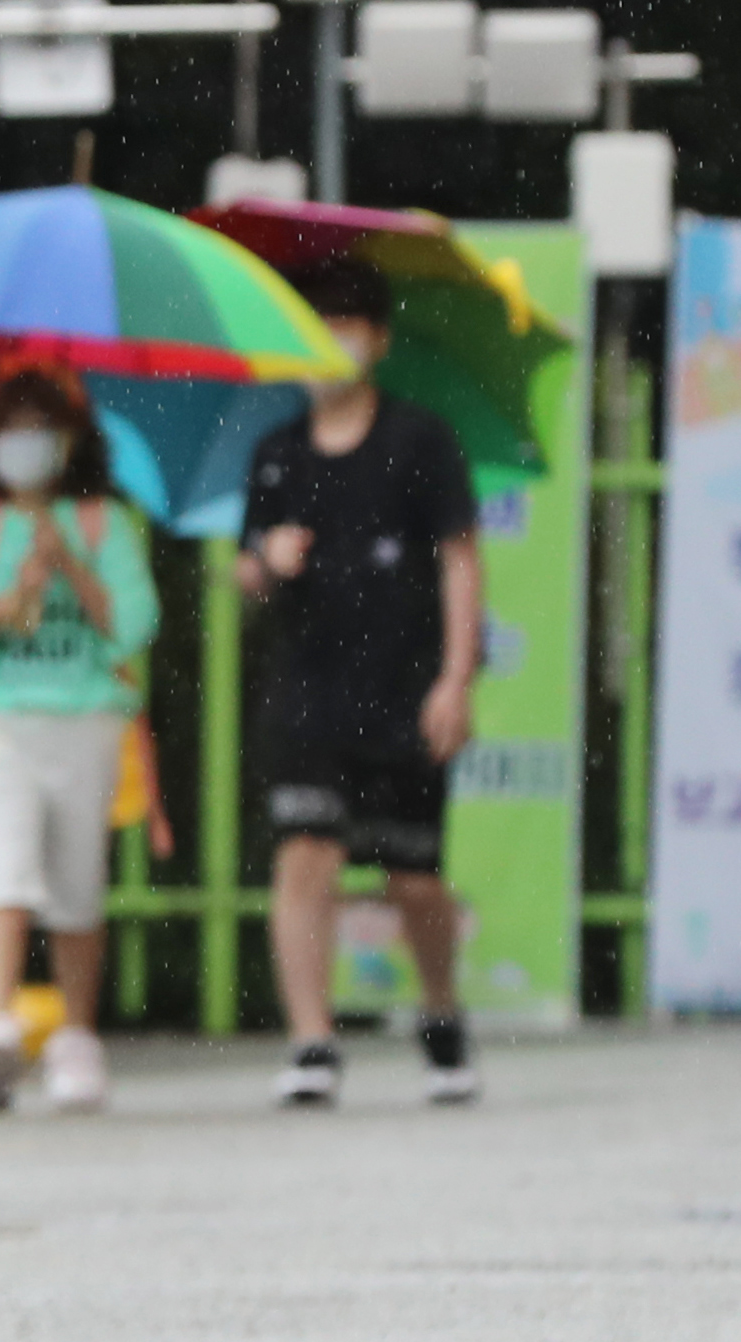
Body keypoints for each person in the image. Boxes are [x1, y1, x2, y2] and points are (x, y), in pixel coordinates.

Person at [237, 255, 484, 1108]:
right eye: (315, 327)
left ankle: (441, 1012)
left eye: (346, 325)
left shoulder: (419, 440)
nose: (330, 344)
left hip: (402, 685)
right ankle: (312, 1039)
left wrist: (455, 677)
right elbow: (244, 568)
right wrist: (263, 562)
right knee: (305, 854)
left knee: (412, 875)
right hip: (307, 694)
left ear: (376, 339)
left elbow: (458, 558)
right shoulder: (274, 452)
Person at [0, 365, 161, 1114]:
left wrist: (68, 567)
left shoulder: (100, 524)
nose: (24, 443)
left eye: (40, 428)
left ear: (69, 442)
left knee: (77, 882)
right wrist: (9, 595)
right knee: (4, 869)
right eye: (10, 427)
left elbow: (132, 622)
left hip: (81, 721)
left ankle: (77, 1038)